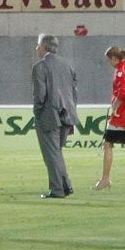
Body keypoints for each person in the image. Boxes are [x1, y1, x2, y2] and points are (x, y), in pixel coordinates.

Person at [33, 33, 79, 199]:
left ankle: (57, 189)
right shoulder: (68, 65)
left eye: (38, 45)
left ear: (44, 47)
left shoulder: (40, 67)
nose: (37, 48)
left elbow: (39, 95)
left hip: (49, 115)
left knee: (51, 154)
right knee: (56, 152)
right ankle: (65, 185)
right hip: (67, 114)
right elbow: (74, 92)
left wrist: (37, 113)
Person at [96, 45, 125, 192]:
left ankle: (105, 178)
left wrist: (114, 108)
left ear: (114, 58)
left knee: (108, 143)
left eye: (109, 60)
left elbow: (123, 93)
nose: (109, 63)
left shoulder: (120, 71)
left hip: (122, 115)